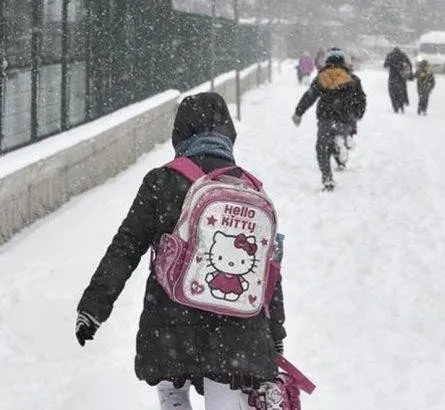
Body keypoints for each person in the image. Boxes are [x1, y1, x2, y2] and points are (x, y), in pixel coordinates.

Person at [75, 92, 287, 409]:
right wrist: (275, 331)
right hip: (236, 329)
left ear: (180, 133)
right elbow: (266, 269)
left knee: (172, 384)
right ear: (228, 134)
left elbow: (127, 245)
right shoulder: (249, 188)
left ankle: (174, 396)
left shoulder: (162, 181)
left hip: (170, 321)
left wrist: (94, 306)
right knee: (226, 391)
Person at [292, 48, 367, 191]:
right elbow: (361, 100)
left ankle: (327, 178)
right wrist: (357, 114)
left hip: (326, 118)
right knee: (339, 137)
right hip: (345, 119)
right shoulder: (353, 79)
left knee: (322, 148)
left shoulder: (321, 78)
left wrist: (298, 113)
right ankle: (342, 146)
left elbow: (309, 96)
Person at [383, 47, 413, 113]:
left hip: (392, 77)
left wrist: (392, 64)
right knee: (402, 91)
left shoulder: (390, 55)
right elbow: (409, 64)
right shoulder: (403, 55)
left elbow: (385, 65)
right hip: (401, 77)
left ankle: (395, 107)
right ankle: (401, 105)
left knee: (392, 93)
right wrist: (410, 74)